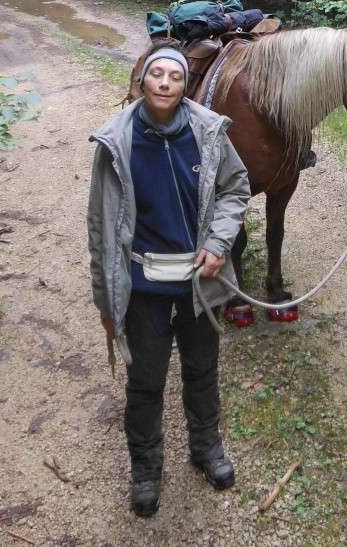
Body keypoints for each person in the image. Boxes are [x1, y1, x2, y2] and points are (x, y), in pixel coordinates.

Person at [87, 42, 250, 518]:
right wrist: (105, 298)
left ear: (183, 85)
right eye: (156, 75)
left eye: (174, 77)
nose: (164, 83)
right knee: (145, 380)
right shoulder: (115, 141)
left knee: (202, 371)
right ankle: (145, 470)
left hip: (201, 283)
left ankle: (206, 449)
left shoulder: (209, 132)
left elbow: (234, 188)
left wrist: (219, 244)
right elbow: (99, 225)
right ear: (142, 80)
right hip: (144, 288)